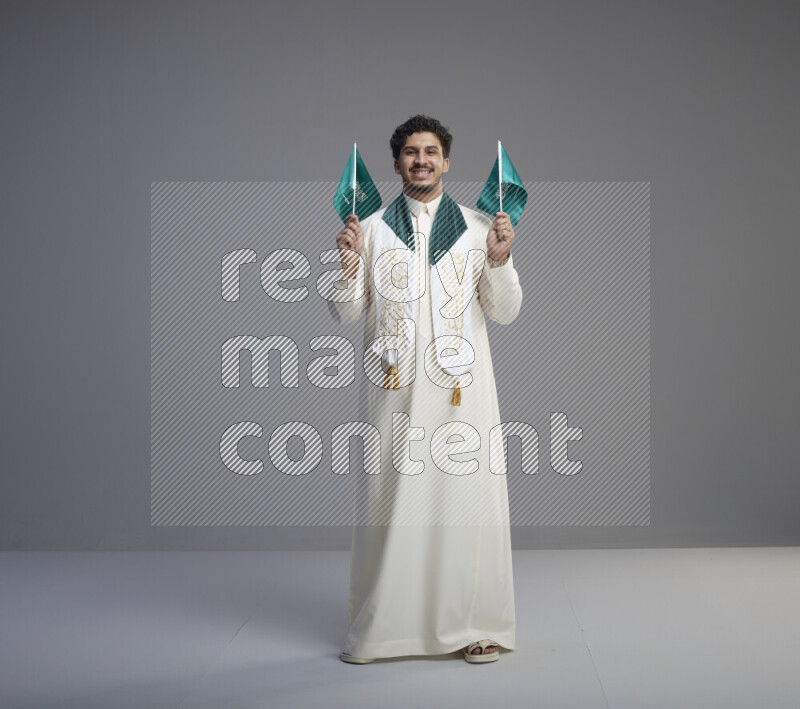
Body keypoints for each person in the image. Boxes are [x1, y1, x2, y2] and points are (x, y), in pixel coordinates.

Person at [328, 115, 522, 664]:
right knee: (391, 506)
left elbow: (505, 312)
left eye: (431, 151)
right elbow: (345, 313)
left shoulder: (480, 227)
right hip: (396, 392)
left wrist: (501, 259)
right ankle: (385, 628)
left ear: (446, 161)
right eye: (411, 152)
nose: (421, 160)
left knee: (466, 506)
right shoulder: (370, 229)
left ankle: (476, 625)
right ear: (396, 164)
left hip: (463, 395)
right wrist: (348, 266)